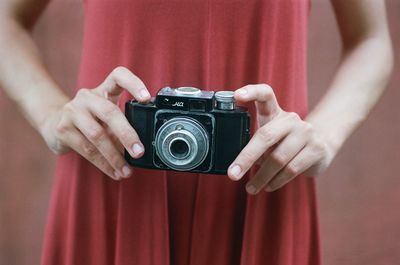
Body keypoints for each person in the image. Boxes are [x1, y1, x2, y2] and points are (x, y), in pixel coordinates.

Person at [0, 0, 393, 264]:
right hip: (109, 180)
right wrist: (51, 115)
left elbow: (371, 40)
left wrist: (325, 134)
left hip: (266, 179)